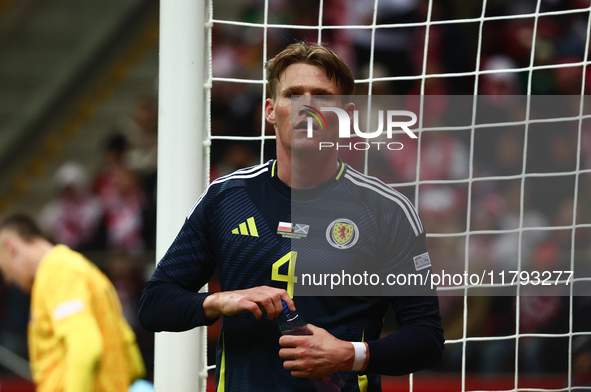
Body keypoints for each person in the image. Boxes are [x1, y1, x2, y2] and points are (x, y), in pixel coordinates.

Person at [139, 42, 444, 391]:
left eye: (322, 96)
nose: (307, 107)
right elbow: (154, 304)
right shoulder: (225, 198)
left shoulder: (386, 210)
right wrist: (221, 300)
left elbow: (427, 338)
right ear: (270, 110)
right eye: (293, 94)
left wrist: (349, 354)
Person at [0, 214, 146, 392]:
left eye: (3, 268)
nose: (7, 279)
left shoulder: (58, 273)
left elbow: (85, 347)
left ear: (10, 247)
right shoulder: (82, 269)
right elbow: (132, 360)